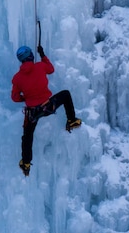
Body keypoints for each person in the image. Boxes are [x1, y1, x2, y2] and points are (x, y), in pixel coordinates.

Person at [11, 45, 81, 176]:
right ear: (31, 56)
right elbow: (51, 69)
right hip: (48, 106)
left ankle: (26, 163)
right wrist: (42, 55)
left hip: (32, 112)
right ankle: (71, 120)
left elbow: (14, 97)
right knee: (65, 94)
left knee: (27, 136)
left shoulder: (17, 78)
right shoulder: (40, 66)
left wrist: (26, 97)